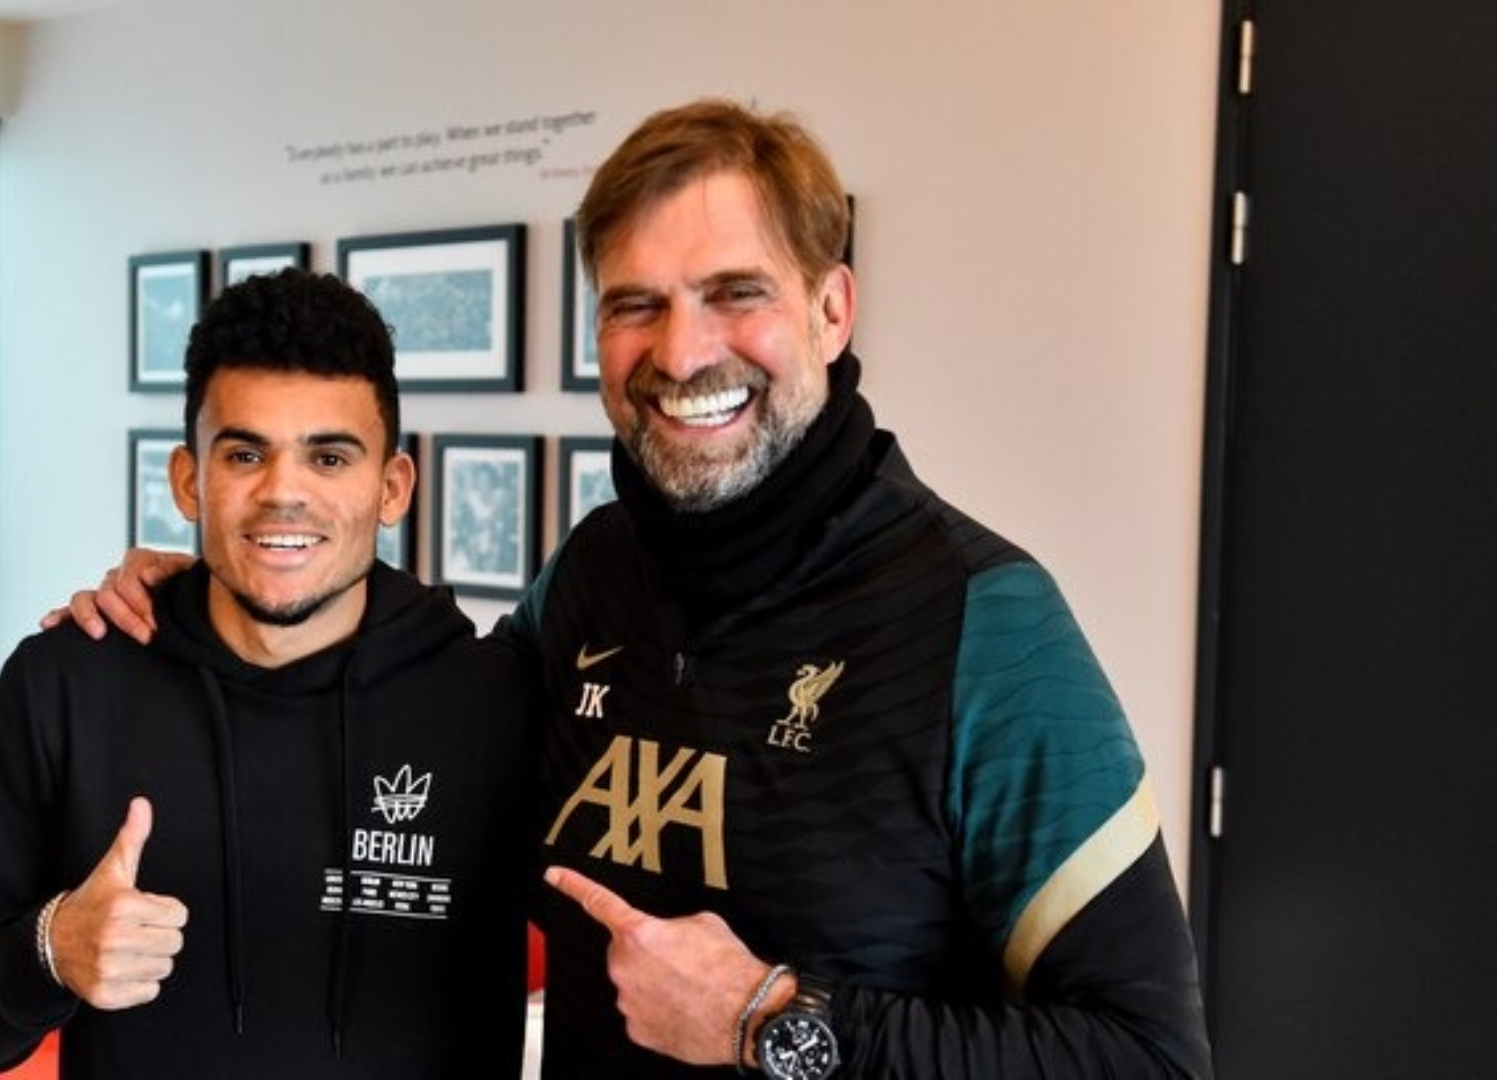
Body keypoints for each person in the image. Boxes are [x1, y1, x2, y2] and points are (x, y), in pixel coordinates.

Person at [65, 100, 1213, 1078]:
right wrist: (223, 588)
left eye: (735, 292)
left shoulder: (987, 624)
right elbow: (406, 706)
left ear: (832, 309)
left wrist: (772, 1022)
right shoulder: (592, 578)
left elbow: (1148, 1056)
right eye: (635, 305)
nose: (681, 350)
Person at [0, 268, 538, 1078]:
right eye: (245, 453)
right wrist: (50, 950)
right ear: (190, 480)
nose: (283, 495)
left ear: (393, 486)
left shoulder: (492, 704)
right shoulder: (69, 684)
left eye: (330, 457)